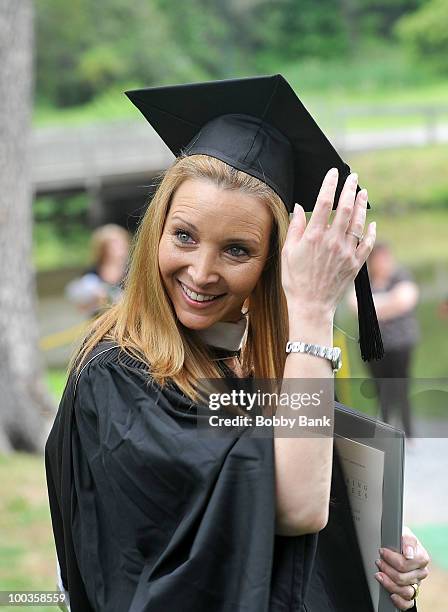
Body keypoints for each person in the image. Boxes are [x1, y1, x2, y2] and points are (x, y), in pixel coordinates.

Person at [45, 75, 429, 612]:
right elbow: (296, 510)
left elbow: (308, 512)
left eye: (237, 250)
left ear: (272, 265)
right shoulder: (119, 374)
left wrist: (377, 547)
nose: (201, 272)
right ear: (156, 230)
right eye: (184, 235)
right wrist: (314, 310)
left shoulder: (251, 364)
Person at [355, 242, 420, 438]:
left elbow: (405, 300)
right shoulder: (364, 279)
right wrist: (389, 304)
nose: (383, 262)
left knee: (401, 386)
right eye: (379, 258)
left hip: (400, 345)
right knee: (380, 388)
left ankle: (408, 433)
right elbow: (355, 305)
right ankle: (386, 430)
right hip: (374, 347)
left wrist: (375, 308)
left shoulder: (401, 275)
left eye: (386, 257)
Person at [65, 223, 130, 318]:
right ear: (102, 248)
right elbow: (79, 303)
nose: (121, 246)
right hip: (100, 322)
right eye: (114, 243)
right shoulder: (92, 273)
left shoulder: (131, 270)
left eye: (122, 242)